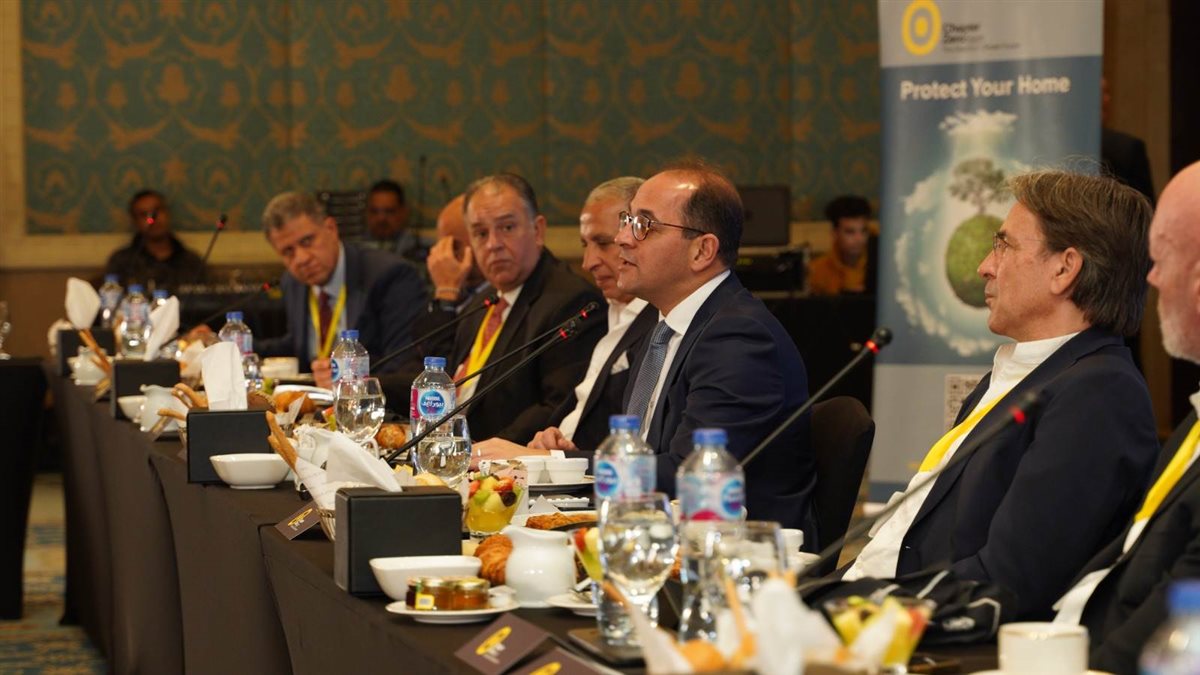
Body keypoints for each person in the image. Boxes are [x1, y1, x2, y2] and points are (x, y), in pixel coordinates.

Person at [843, 170, 1160, 621]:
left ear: (1064, 269)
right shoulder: (1026, 369)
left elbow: (1008, 582)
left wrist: (853, 610)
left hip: (921, 633)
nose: (984, 267)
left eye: (1003, 246)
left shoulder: (1099, 395)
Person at [611, 161, 816, 536]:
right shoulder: (665, 328)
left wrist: (563, 464)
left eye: (644, 225)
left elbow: (688, 473)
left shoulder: (739, 339)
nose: (623, 237)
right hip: (659, 530)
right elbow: (648, 451)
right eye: (626, 220)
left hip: (736, 551)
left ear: (702, 251)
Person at [1050, 161, 1200, 674]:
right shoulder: (1192, 422)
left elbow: (1178, 627)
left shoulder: (1100, 389)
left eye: (1162, 259)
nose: (1151, 279)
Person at [472, 177, 658, 458]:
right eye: (585, 245)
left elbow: (640, 450)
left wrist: (549, 457)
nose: (588, 263)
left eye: (603, 243)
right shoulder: (611, 311)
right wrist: (553, 442)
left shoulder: (656, 324)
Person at [443, 173, 603, 442]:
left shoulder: (572, 302)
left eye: (507, 227)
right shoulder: (483, 302)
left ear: (537, 230)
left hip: (505, 459)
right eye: (480, 233)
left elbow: (557, 407)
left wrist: (479, 451)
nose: (493, 244)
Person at [255, 191, 428, 387]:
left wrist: (350, 381)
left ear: (331, 228)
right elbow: (299, 345)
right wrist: (235, 345)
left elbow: (404, 365)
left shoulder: (390, 276)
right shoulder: (292, 282)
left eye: (307, 241)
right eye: (288, 252)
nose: (302, 259)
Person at [104, 189, 207, 290]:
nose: (153, 219)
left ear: (167, 213)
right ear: (135, 221)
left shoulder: (191, 262)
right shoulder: (122, 262)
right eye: (144, 214)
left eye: (157, 211)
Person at [807, 195, 871, 295]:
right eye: (850, 232)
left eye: (864, 231)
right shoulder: (817, 271)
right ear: (835, 234)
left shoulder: (882, 267)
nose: (859, 239)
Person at [361, 179, 432, 266]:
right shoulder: (356, 249)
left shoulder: (424, 248)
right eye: (374, 211)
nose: (381, 218)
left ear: (404, 212)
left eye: (389, 211)